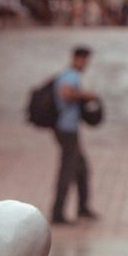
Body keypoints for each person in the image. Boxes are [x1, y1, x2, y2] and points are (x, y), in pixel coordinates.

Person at [51, 46, 99, 225]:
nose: (86, 65)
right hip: (67, 129)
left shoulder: (70, 75)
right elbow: (65, 93)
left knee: (82, 169)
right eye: (85, 61)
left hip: (68, 129)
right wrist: (86, 95)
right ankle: (58, 212)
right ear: (78, 59)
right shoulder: (70, 76)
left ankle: (83, 207)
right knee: (68, 170)